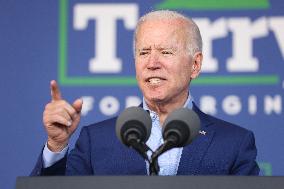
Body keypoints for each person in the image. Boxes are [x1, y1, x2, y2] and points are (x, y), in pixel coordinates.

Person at [31, 10, 259, 176]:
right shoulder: (96, 141)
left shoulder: (234, 143)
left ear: (195, 65)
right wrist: (57, 145)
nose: (152, 63)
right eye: (144, 52)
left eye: (166, 52)